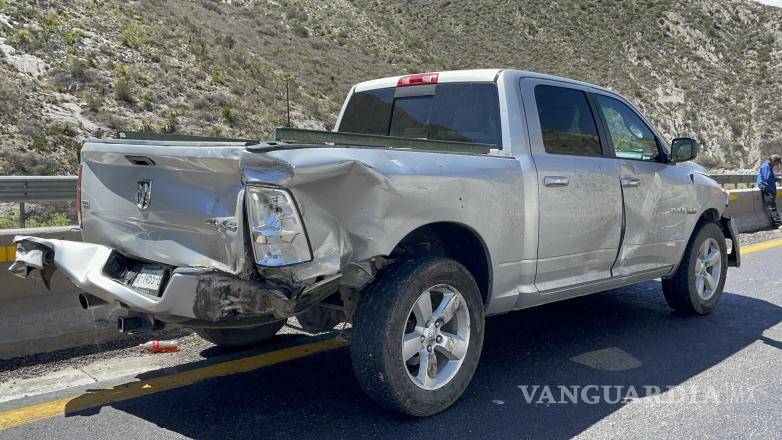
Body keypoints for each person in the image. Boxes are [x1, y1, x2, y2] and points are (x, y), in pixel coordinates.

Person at [757, 154, 782, 230]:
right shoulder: (766, 166)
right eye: (777, 163)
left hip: (770, 189)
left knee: (772, 206)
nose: (776, 165)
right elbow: (767, 178)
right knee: (772, 207)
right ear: (773, 161)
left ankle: (776, 224)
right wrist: (777, 179)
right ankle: (778, 224)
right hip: (767, 189)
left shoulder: (769, 166)